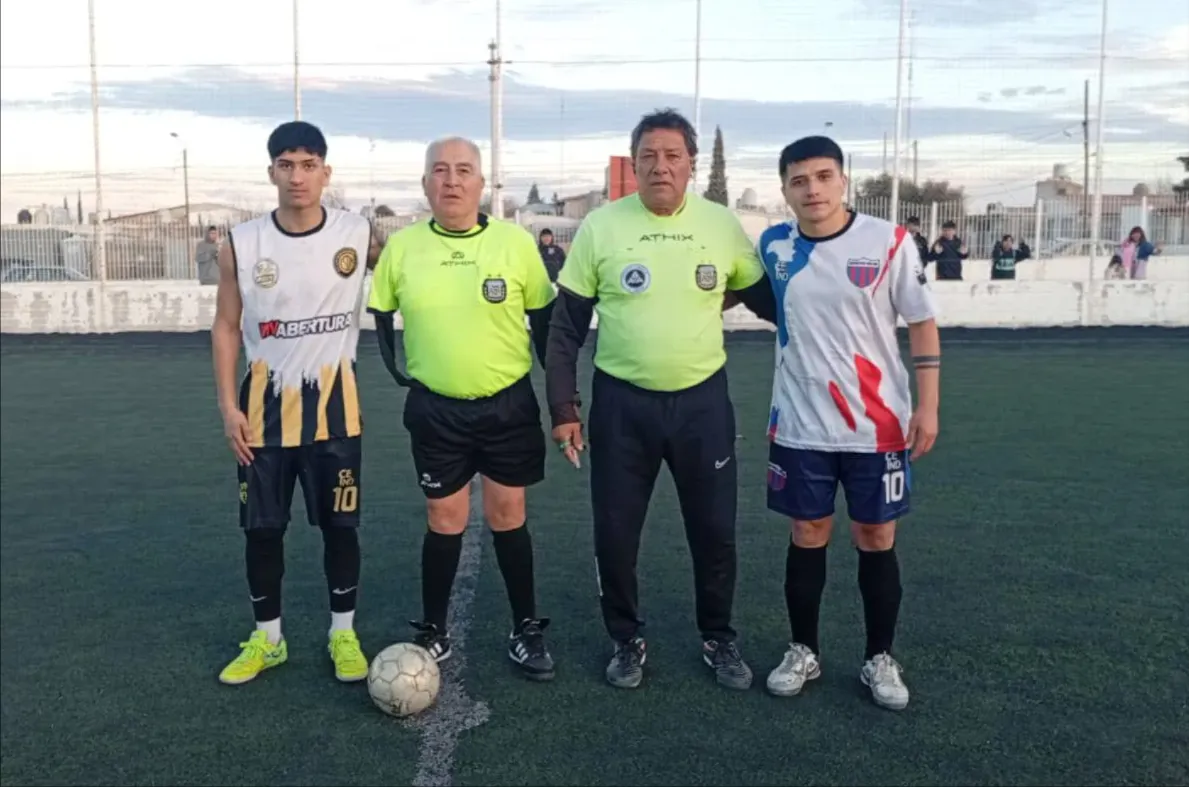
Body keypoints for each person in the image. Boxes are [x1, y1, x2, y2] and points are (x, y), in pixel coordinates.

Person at [545, 108, 774, 692]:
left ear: (691, 165)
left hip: (703, 406)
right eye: (648, 156)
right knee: (616, 533)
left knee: (715, 529)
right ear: (634, 165)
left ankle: (718, 636)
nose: (660, 166)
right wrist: (564, 409)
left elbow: (770, 302)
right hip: (623, 408)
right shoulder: (602, 227)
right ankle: (626, 639)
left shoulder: (721, 225)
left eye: (672, 156)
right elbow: (566, 329)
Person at [755, 136, 940, 711]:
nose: (812, 189)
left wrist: (927, 406)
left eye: (823, 176)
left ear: (844, 181)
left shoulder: (888, 242)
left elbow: (922, 324)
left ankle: (879, 657)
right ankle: (803, 650)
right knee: (807, 534)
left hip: (876, 426)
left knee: (876, 536)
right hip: (800, 424)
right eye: (799, 180)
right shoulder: (773, 245)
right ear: (785, 189)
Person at [367, 137, 558, 681]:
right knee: (443, 518)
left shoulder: (515, 244)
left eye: (464, 171)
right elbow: (380, 318)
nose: (451, 180)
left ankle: (526, 628)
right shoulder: (402, 249)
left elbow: (545, 323)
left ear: (482, 183)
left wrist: (561, 400)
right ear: (425, 182)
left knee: (507, 515)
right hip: (437, 413)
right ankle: (433, 629)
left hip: (507, 406)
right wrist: (405, 378)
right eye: (440, 170)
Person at [210, 120, 381, 686]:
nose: (297, 177)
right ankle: (269, 639)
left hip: (337, 412)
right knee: (262, 530)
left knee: (340, 528)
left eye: (309, 165)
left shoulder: (359, 233)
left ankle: (342, 633)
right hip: (260, 415)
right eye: (286, 165)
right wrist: (225, 405)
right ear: (271, 173)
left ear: (326, 173)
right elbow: (226, 326)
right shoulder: (243, 242)